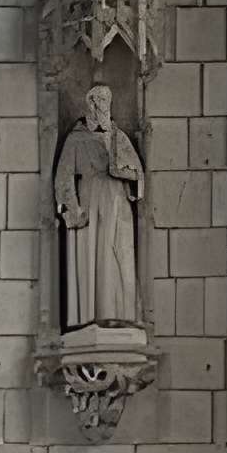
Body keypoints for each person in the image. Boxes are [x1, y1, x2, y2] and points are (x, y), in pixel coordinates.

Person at [52, 84, 145, 331]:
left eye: (107, 100)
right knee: (91, 255)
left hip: (117, 203)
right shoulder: (76, 138)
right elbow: (63, 177)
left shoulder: (119, 137)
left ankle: (119, 316)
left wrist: (128, 174)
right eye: (100, 100)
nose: (104, 105)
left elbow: (138, 174)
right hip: (90, 201)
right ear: (90, 103)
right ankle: (89, 320)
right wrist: (73, 210)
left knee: (118, 256)